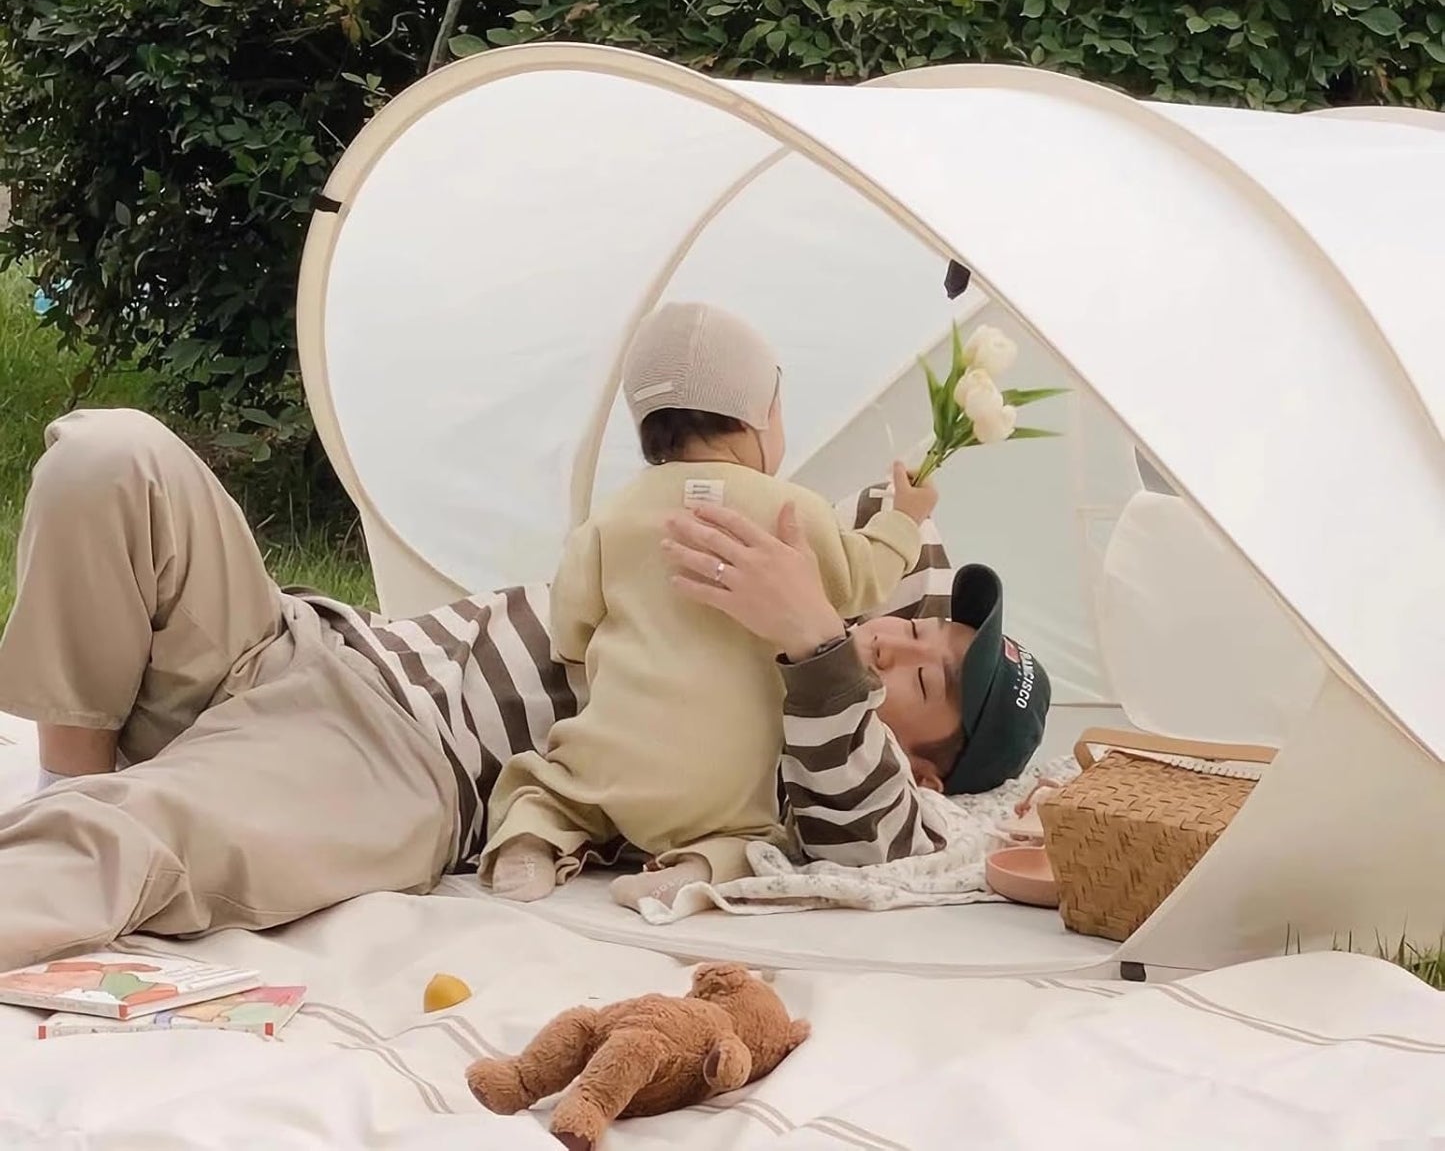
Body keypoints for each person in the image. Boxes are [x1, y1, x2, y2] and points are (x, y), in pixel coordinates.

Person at [0, 405, 1049, 973]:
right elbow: (901, 535)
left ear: (921, 758)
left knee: (130, 832)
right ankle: (67, 772)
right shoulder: (784, 565)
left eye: (923, 674)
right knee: (109, 455)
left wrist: (811, 634)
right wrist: (896, 526)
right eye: (912, 623)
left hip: (396, 759)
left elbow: (876, 836)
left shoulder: (846, 761)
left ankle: (85, 822)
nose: (891, 644)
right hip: (300, 639)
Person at [483, 302, 940, 908]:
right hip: (718, 786)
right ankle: (693, 868)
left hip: (610, 764)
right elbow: (863, 579)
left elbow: (570, 629)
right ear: (758, 418)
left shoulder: (611, 518)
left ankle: (530, 842)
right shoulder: (791, 513)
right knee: (756, 837)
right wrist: (903, 521)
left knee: (552, 788)